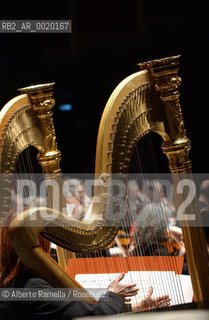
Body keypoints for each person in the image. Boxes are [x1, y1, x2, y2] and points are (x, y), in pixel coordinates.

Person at [0, 210, 170, 320]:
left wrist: (135, 306)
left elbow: (68, 309)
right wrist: (114, 295)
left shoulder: (14, 282)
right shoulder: (31, 287)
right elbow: (91, 315)